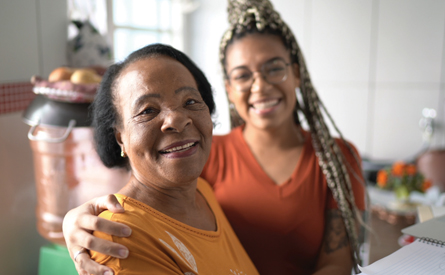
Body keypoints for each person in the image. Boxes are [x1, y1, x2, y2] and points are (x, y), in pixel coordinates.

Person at [63, 0, 367, 274]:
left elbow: (336, 264)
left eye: (274, 68)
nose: (260, 87)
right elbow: (145, 198)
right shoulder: (202, 157)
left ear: (297, 73)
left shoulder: (336, 158)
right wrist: (75, 222)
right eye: (243, 75)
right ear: (229, 89)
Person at [77, 43, 259, 275]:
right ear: (120, 137)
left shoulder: (202, 193)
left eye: (191, 101)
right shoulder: (118, 236)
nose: (176, 119)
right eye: (148, 110)